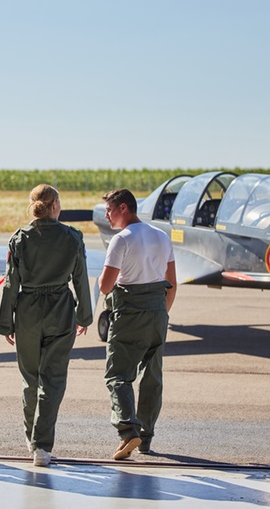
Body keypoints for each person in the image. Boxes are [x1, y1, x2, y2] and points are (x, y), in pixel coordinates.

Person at [0, 184, 93, 467]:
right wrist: (84, 316)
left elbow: (11, 283)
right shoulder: (73, 236)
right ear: (55, 206)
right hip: (60, 309)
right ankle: (42, 446)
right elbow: (80, 279)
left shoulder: (19, 238)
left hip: (27, 311)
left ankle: (32, 438)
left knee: (30, 378)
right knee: (53, 380)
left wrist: (6, 323)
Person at [97, 188, 177, 460]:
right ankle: (145, 438)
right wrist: (161, 313)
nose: (106, 215)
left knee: (118, 375)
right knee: (152, 377)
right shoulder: (162, 236)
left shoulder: (121, 240)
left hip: (130, 313)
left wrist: (100, 281)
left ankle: (128, 430)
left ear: (123, 208)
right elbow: (172, 282)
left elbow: (107, 286)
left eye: (109, 209)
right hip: (157, 313)